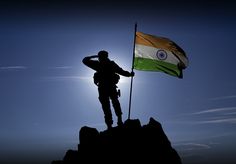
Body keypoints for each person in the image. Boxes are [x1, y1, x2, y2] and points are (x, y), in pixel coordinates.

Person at [82, 50, 134, 129]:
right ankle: (111, 124)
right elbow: (85, 61)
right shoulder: (101, 64)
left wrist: (129, 74)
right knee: (109, 106)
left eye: (100, 56)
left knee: (112, 104)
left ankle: (116, 122)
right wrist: (129, 74)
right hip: (105, 88)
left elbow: (121, 71)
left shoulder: (105, 64)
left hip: (108, 87)